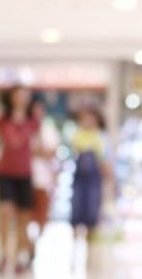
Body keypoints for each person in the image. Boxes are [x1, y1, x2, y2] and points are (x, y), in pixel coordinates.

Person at [0, 85, 39, 275]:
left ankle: (20, 257)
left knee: (23, 219)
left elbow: (38, 146)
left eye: (25, 96)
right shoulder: (2, 121)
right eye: (18, 95)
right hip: (5, 173)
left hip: (25, 174)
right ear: (11, 98)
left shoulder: (33, 122)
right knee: (5, 214)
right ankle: (4, 254)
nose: (21, 99)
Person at [69, 107, 111, 244]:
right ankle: (74, 242)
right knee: (76, 209)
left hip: (94, 180)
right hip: (79, 179)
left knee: (92, 211)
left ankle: (89, 243)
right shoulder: (78, 134)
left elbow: (105, 160)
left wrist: (108, 176)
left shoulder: (101, 137)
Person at [29, 98, 60, 260]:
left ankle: (34, 243)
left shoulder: (48, 130)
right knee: (26, 216)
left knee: (42, 217)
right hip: (26, 178)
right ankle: (26, 246)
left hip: (43, 180)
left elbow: (51, 153)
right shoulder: (25, 128)